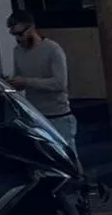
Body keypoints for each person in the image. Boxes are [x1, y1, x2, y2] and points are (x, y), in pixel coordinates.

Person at [4, 10, 76, 151]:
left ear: (31, 28)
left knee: (67, 158)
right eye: (14, 35)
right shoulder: (17, 51)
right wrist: (11, 83)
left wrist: (26, 81)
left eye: (20, 34)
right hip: (36, 116)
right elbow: (20, 82)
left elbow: (60, 83)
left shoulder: (52, 49)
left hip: (58, 115)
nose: (18, 39)